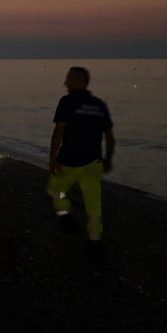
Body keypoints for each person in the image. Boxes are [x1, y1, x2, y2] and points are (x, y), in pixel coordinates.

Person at [47, 66, 115, 262]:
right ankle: (94, 239)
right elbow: (109, 136)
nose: (65, 83)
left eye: (69, 79)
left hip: (70, 160)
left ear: (80, 82)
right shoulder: (99, 105)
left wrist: (52, 158)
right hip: (93, 161)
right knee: (93, 204)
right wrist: (108, 159)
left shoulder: (67, 102)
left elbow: (59, 131)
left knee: (55, 190)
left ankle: (65, 215)